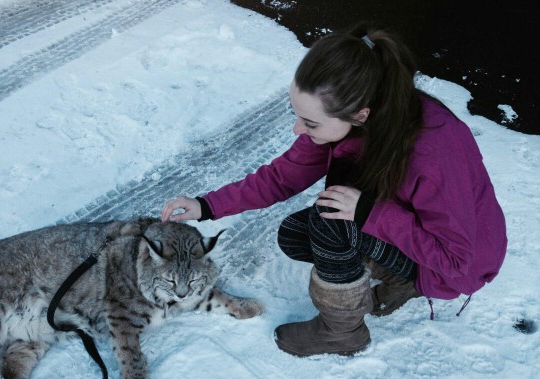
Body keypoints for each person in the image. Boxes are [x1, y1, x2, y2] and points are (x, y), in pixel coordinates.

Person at [160, 22, 507, 357]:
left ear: (360, 114)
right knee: (298, 233)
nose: (297, 129)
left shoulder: (433, 154)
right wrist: (206, 205)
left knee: (329, 223)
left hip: (453, 264)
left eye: (309, 123)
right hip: (407, 231)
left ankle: (343, 333)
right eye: (296, 115)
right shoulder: (351, 114)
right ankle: (401, 281)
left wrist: (370, 212)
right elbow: (282, 176)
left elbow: (455, 259)